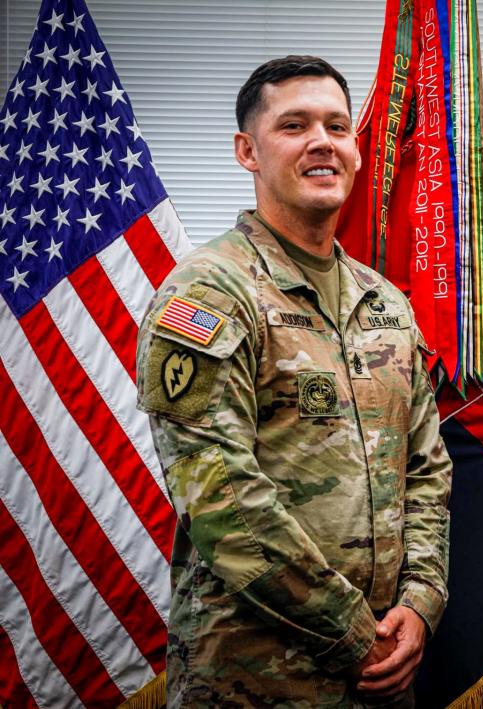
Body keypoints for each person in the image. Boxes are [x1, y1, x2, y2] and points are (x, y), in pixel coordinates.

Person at [136, 56, 452, 707]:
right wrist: (354, 632)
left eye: (337, 126)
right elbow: (221, 497)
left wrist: (420, 603)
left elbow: (426, 469)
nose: (322, 142)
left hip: (382, 680)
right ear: (247, 151)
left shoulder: (387, 302)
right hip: (252, 681)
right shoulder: (211, 293)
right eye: (295, 125)